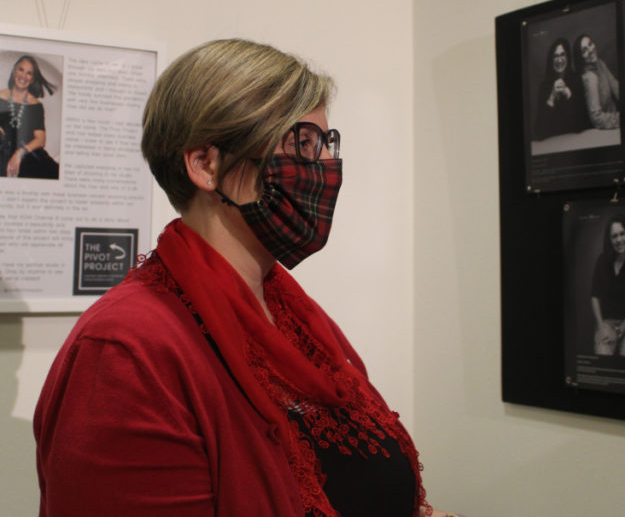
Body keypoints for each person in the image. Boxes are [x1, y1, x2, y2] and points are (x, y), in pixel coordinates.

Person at [34, 39, 454, 517]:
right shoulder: (127, 351)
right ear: (204, 165)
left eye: (323, 145)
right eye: (301, 145)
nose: (323, 170)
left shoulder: (296, 319)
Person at [590, 214, 625, 358]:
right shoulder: (602, 261)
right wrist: (601, 327)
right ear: (609, 239)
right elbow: (594, 297)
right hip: (606, 323)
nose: (619, 240)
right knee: (602, 359)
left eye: (622, 234)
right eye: (614, 236)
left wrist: (619, 332)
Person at [0, 55, 59, 179]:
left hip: (27, 156)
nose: (23, 76)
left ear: (32, 79)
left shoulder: (35, 105)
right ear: (14, 70)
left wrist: (19, 153)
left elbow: (40, 140)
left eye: (29, 73)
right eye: (21, 70)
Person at [533, 37, 591, 140]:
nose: (559, 60)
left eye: (562, 54)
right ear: (551, 60)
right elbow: (539, 132)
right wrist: (551, 97)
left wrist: (568, 94)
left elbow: (581, 125)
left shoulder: (577, 80)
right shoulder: (545, 86)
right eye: (555, 56)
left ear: (568, 57)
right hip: (554, 145)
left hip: (576, 143)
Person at [573, 34, 620, 130]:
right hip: (603, 130)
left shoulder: (600, 63)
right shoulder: (589, 77)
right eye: (584, 50)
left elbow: (617, 88)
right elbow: (597, 119)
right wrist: (623, 118)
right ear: (580, 57)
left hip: (614, 123)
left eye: (590, 44)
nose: (590, 50)